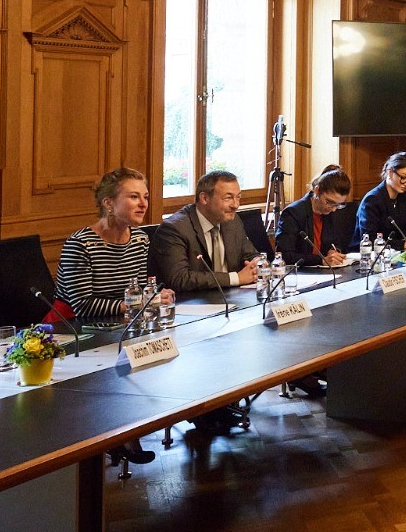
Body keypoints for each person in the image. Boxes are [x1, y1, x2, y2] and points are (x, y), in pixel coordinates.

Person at [55, 168, 171, 466]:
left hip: (121, 329)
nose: (143, 204)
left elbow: (135, 292)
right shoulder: (81, 244)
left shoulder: (141, 240)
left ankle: (129, 429)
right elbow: (81, 305)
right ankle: (118, 435)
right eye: (133, 197)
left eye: (145, 196)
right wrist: (140, 302)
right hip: (77, 333)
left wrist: (154, 296)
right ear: (108, 203)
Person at [152, 171, 261, 292]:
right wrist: (236, 278)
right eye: (228, 198)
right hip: (191, 304)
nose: (235, 205)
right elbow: (179, 278)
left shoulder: (232, 221)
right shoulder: (174, 229)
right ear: (204, 198)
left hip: (231, 299)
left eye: (238, 197)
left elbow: (250, 255)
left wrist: (258, 264)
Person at [275, 165, 354, 267]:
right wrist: (321, 260)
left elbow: (337, 242)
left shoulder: (334, 212)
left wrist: (334, 251)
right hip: (301, 273)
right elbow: (285, 255)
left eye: (338, 205)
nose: (333, 209)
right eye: (329, 202)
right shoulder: (293, 213)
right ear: (317, 191)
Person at [355, 152, 406, 251]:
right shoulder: (372, 200)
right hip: (368, 256)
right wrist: (403, 244)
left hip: (394, 254)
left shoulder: (404, 197)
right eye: (403, 178)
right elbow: (369, 239)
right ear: (390, 172)